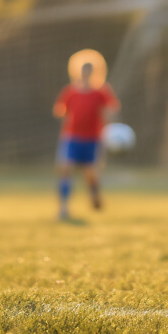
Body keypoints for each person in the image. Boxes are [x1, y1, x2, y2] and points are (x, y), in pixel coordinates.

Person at [54, 56, 120, 220]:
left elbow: (112, 108)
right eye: (84, 70)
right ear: (78, 72)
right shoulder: (71, 91)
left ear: (95, 72)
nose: (86, 73)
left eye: (89, 70)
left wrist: (110, 126)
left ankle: (94, 193)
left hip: (92, 139)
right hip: (72, 138)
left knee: (90, 173)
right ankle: (63, 208)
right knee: (65, 169)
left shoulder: (101, 92)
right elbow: (61, 110)